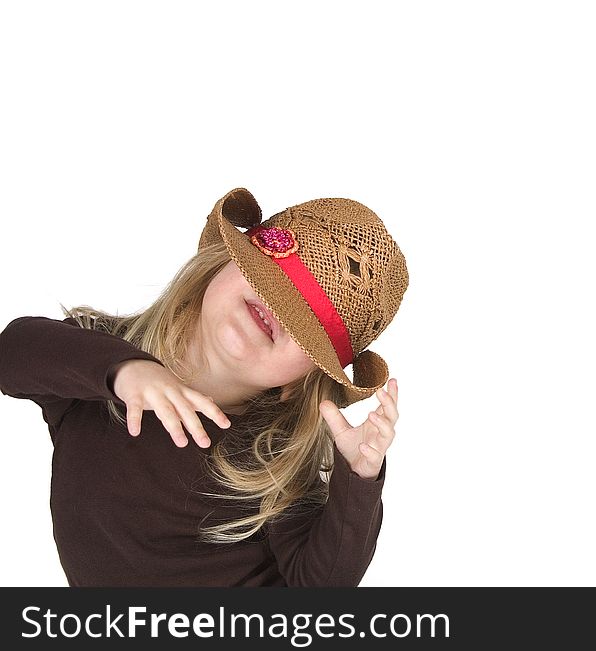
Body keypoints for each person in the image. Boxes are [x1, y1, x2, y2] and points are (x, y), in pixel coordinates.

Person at [0, 187, 409, 586]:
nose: (280, 312)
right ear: (221, 264)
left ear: (301, 381)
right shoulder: (95, 367)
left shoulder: (272, 463)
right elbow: (13, 353)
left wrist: (357, 477)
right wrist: (123, 371)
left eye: (310, 326)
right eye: (273, 280)